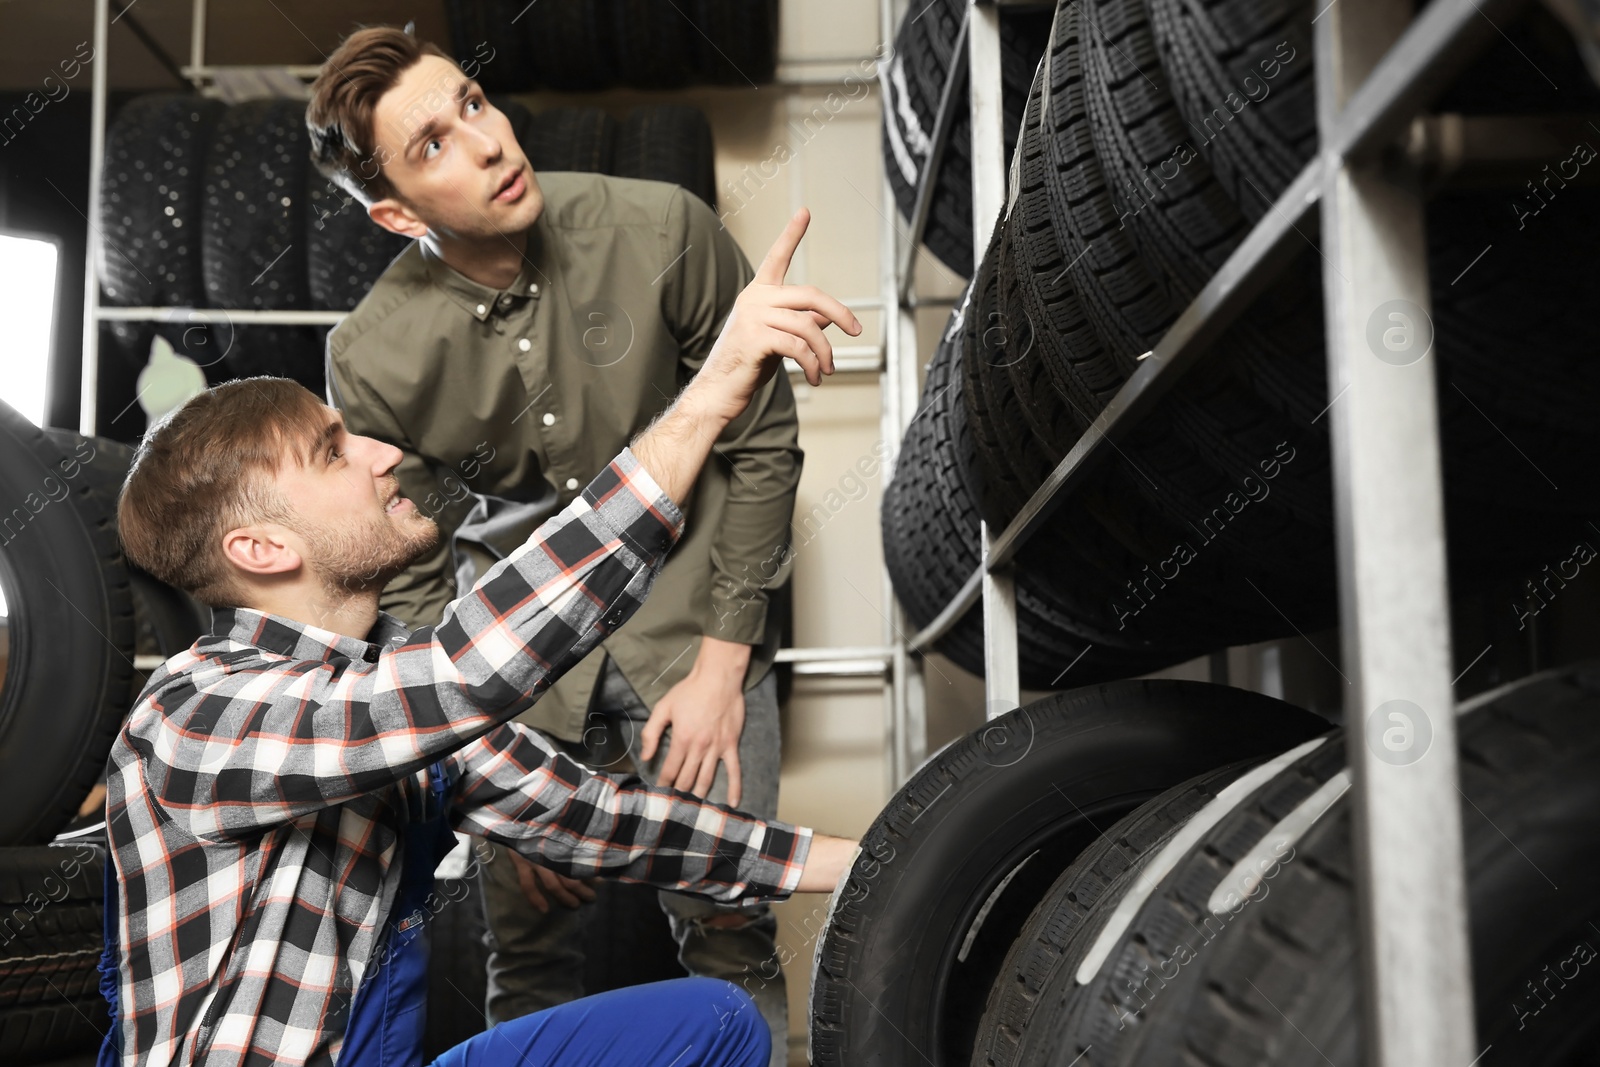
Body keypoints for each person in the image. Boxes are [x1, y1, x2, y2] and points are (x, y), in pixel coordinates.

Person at [102, 209, 862, 1067]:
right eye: (332, 452)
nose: (383, 453)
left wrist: (879, 855)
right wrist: (714, 389)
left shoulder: (391, 700)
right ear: (264, 550)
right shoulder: (197, 714)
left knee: (711, 1021)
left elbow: (604, 822)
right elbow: (467, 672)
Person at [305, 29, 807, 1055]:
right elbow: (413, 570)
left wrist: (723, 664)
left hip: (694, 633)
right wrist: (486, 771)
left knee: (727, 927)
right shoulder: (371, 355)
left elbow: (761, 444)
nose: (489, 144)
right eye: (435, 142)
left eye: (475, 102)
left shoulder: (663, 226)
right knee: (528, 960)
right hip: (524, 684)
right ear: (395, 212)